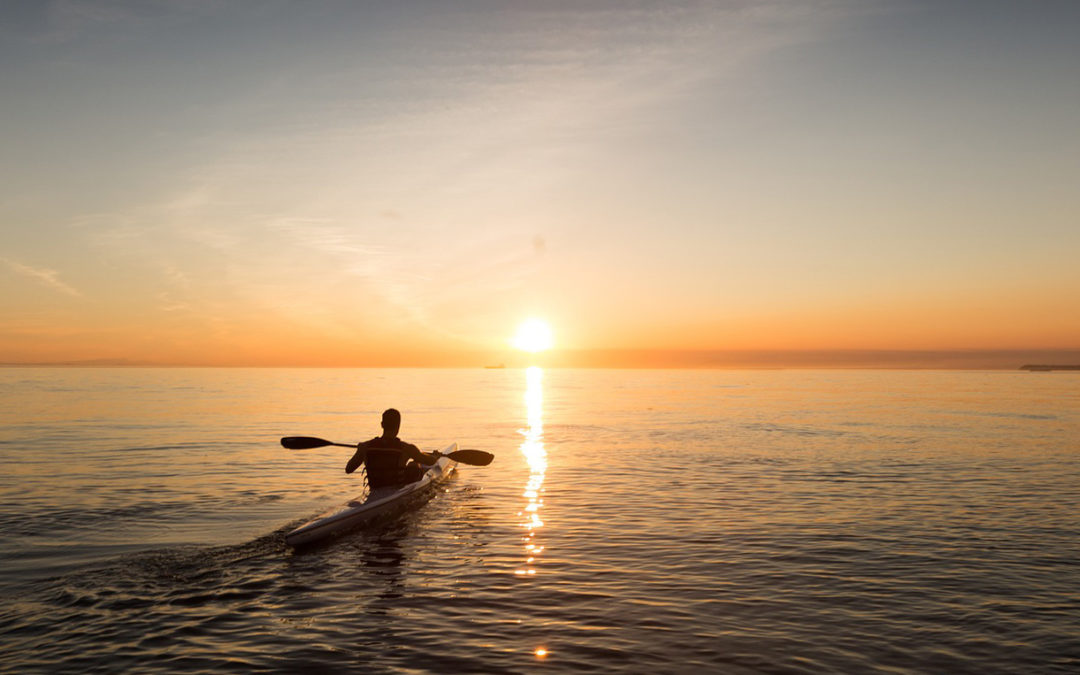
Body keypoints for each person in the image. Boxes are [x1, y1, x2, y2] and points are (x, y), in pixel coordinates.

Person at [345, 408, 440, 489]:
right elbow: (430, 462)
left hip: (375, 489)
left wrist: (359, 451)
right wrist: (435, 456)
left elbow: (348, 469)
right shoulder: (407, 448)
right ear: (398, 426)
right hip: (396, 489)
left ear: (382, 424)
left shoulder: (365, 447)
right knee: (415, 465)